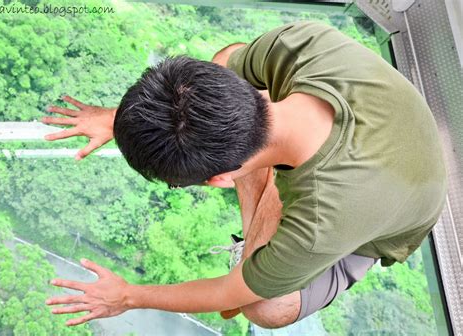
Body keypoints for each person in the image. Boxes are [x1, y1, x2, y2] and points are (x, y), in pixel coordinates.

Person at [42, 21, 448, 328]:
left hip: (400, 210)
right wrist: (123, 120)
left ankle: (267, 208)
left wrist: (128, 297)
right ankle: (271, 179)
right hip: (396, 125)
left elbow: (227, 294)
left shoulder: (321, 221)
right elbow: (222, 65)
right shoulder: (304, 44)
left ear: (219, 179)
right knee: (234, 59)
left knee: (264, 307)